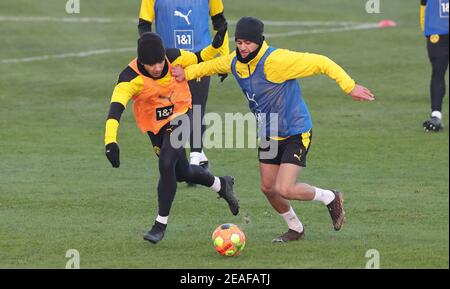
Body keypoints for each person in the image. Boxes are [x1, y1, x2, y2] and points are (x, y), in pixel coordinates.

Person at [171, 17, 375, 242]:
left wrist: (349, 86)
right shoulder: (235, 63)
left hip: (295, 131)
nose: (243, 47)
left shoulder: (277, 61)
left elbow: (321, 62)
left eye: (248, 42)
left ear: (259, 41)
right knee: (268, 188)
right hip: (268, 135)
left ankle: (330, 197)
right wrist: (186, 73)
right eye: (239, 42)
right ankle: (296, 229)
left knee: (285, 188)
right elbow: (212, 65)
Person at [104, 31, 238, 245]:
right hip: (155, 128)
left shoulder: (173, 56)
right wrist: (110, 142)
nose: (157, 67)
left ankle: (160, 224)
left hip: (181, 114)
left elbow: (199, 57)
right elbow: (115, 110)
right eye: (151, 65)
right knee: (181, 173)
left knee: (166, 163)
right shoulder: (129, 78)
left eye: (159, 62)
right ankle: (221, 184)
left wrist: (214, 46)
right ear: (141, 62)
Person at [138, 0, 230, 169]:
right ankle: (191, 159)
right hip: (168, 61)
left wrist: (224, 59)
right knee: (171, 113)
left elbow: (220, 23)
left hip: (200, 56)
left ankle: (195, 159)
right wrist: (151, 56)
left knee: (196, 108)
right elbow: (144, 25)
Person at [420, 0, 449, 132]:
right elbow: (423, 3)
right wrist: (426, 28)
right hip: (437, 28)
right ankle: (436, 116)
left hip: (435, 27)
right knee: (438, 72)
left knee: (438, 74)